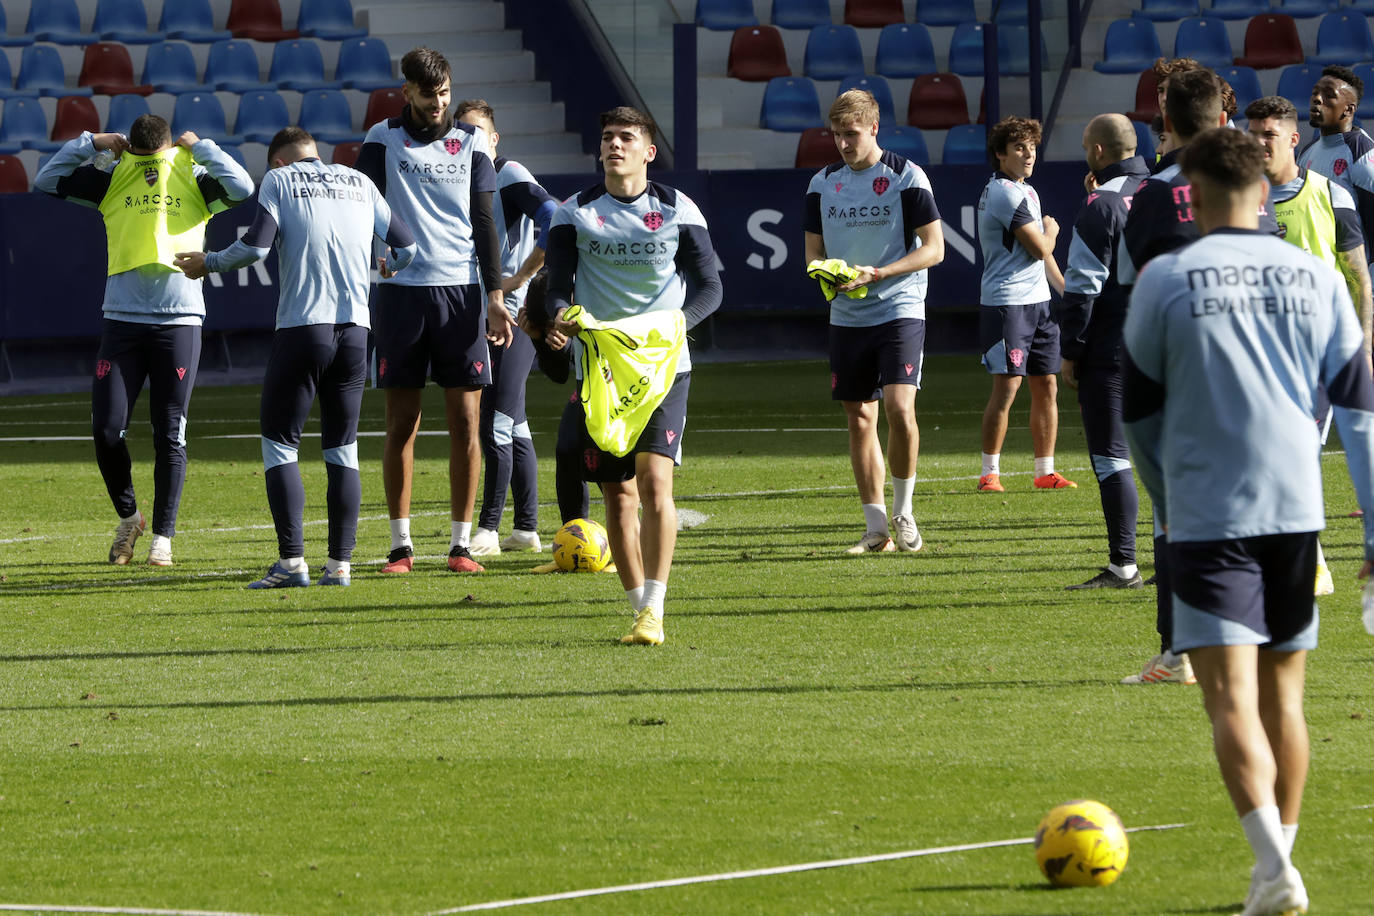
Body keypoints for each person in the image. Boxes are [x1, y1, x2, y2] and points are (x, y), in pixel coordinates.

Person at [1122, 125, 1374, 916]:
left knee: (1228, 700)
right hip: (1296, 510)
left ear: (1189, 194)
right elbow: (1361, 413)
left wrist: (1169, 501)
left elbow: (1138, 415)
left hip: (1206, 517)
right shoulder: (1316, 278)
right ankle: (1278, 871)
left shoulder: (1165, 281)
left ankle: (1273, 869)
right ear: (1265, 189)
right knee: (1284, 703)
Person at [172, 127, 417, 588]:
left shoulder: (279, 182)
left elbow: (257, 247)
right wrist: (389, 266)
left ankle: (291, 564)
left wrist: (210, 262)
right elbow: (407, 247)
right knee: (343, 449)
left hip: (304, 328)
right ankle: (340, 566)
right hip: (356, 331)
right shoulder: (358, 182)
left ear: (279, 162)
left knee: (280, 444)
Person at [531, 106, 722, 645]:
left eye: (627, 137)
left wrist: (676, 327)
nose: (615, 145)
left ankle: (655, 609)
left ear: (648, 152)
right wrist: (564, 313)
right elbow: (559, 284)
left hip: (664, 367)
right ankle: (640, 608)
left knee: (656, 482)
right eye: (608, 137)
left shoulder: (679, 209)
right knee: (618, 495)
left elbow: (711, 287)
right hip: (603, 371)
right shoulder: (574, 213)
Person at [1118, 67, 1281, 684]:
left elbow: (1134, 293)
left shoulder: (1156, 192)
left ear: (1166, 122)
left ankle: (1181, 651)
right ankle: (1255, 635)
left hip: (1186, 375)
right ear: (1221, 118)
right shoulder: (1255, 189)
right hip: (1264, 377)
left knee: (1176, 514)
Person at [34, 115, 253, 568]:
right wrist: (90, 141)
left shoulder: (193, 175)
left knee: (169, 433)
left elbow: (243, 187)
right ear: (130, 151)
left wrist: (201, 147)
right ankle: (130, 517)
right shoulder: (113, 175)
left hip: (179, 322)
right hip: (121, 322)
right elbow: (46, 180)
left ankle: (163, 539)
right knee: (105, 430)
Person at [354, 46, 514, 575]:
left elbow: (485, 223)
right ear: (407, 92)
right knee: (402, 421)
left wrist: (495, 296)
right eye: (429, 94)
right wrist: (374, 258)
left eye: (444, 92)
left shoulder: (470, 142)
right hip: (400, 294)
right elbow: (363, 210)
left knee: (467, 421)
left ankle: (461, 545)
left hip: (462, 294)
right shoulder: (381, 139)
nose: (439, 103)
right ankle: (400, 546)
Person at [802, 89, 945, 553]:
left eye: (853, 134)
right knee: (860, 418)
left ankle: (904, 512)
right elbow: (813, 252)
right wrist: (827, 273)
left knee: (901, 410)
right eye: (838, 135)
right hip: (847, 314)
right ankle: (876, 528)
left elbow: (934, 248)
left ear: (874, 129)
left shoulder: (906, 176)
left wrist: (879, 272)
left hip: (899, 306)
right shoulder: (822, 183)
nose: (844, 144)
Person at [1248, 94, 1374, 599]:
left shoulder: (1329, 194)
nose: (1258, 143)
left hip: (1324, 350)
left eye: (1268, 135)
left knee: (1296, 453)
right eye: (1251, 134)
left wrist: (1365, 345)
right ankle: (1305, 559)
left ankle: (1314, 563)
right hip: (1262, 354)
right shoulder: (1239, 201)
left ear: (1293, 139)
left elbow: (1361, 279)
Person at [453, 99, 559, 558]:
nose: (471, 140)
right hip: (474, 315)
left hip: (508, 316)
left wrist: (522, 277)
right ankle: (527, 528)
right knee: (513, 422)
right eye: (464, 132)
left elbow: (554, 218)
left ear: (494, 139)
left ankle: (489, 531)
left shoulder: (508, 173)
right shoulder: (457, 178)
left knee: (495, 422)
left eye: (479, 132)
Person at [1057, 114, 1151, 589]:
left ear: (1096, 151)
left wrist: (1070, 348)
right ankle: (1176, 562)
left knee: (1112, 456)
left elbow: (1083, 287)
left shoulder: (1102, 204)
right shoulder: (1170, 191)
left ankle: (1124, 565)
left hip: (1113, 348)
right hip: (1170, 343)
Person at [974, 116, 1072, 493]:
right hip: (1007, 304)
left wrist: (1065, 289)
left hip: (1039, 304)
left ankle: (1045, 471)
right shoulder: (1003, 192)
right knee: (1008, 388)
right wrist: (1053, 230)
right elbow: (1039, 246)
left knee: (1047, 384)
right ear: (1000, 155)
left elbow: (1041, 258)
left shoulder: (1025, 190)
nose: (1028, 152)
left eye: (1031, 145)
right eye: (1019, 146)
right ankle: (988, 473)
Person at [1298, 65, 1374, 273]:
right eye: (1315, 93)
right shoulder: (1307, 151)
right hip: (1318, 273)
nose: (1317, 99)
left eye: (1328, 95)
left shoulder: (1361, 151)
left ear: (1348, 109)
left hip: (1354, 278)